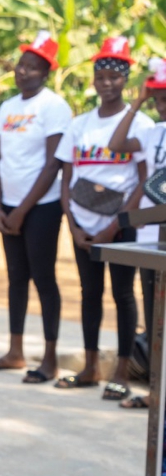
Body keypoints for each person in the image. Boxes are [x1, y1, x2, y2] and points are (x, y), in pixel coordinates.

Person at [54, 37, 152, 399]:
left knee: (124, 295)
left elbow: (145, 180)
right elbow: (66, 181)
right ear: (93, 80)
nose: (106, 82)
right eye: (100, 76)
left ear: (125, 80)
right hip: (83, 225)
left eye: (114, 76)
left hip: (120, 224)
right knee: (89, 293)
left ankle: (122, 372)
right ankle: (91, 367)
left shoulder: (140, 123)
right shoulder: (79, 125)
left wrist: (117, 225)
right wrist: (74, 227)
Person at [0, 32, 72, 383]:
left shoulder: (54, 106)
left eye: (33, 68)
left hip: (42, 207)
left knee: (44, 279)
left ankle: (50, 359)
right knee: (16, 278)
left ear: (46, 73)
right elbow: (0, 159)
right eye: (21, 65)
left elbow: (53, 165)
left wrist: (22, 210)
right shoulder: (8, 107)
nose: (23, 72)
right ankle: (15, 351)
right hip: (8, 206)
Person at [107, 57, 166, 409]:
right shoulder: (152, 131)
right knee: (154, 315)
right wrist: (140, 101)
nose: (163, 105)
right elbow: (116, 144)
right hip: (150, 237)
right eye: (159, 98)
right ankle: (155, 391)